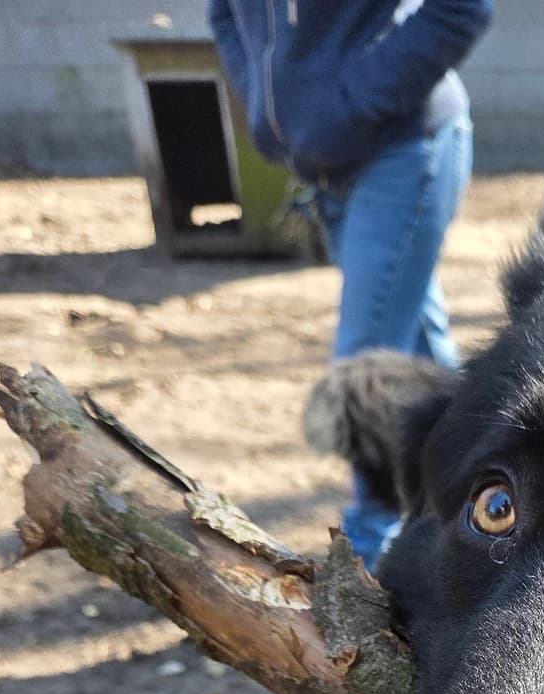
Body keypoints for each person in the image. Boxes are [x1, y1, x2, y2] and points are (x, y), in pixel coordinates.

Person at [209, 0, 493, 568]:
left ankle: (367, 554)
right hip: (326, 165)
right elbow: (224, 13)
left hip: (403, 148)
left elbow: (461, 9)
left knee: (365, 370)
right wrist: (271, 113)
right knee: (414, 350)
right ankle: (458, 515)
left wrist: (345, 110)